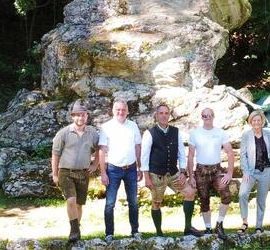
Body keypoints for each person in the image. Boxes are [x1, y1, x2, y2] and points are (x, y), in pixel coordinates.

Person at [140, 103, 203, 237]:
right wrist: (146, 177)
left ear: (169, 115)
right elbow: (144, 157)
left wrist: (182, 171)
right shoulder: (149, 133)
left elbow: (181, 152)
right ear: (156, 115)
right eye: (161, 113)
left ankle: (188, 228)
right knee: (157, 203)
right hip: (156, 174)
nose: (164, 115)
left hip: (174, 173)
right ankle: (159, 233)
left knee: (190, 192)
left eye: (166, 113)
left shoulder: (176, 131)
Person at [51, 100, 99, 243]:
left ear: (87, 117)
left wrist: (95, 164)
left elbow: (100, 148)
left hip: (83, 173)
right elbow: (55, 154)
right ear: (72, 116)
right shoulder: (64, 133)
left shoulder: (92, 132)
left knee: (79, 204)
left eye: (83, 115)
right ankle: (74, 230)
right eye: (77, 115)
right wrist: (54, 174)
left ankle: (76, 229)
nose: (80, 118)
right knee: (71, 200)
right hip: (66, 172)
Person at [99, 99, 143, 243]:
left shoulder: (133, 126)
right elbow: (101, 151)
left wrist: (139, 167)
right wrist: (103, 172)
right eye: (118, 109)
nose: (121, 112)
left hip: (130, 169)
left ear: (127, 111)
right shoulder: (106, 127)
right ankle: (109, 233)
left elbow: (137, 147)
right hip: (113, 169)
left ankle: (135, 231)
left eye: (123, 109)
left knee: (134, 202)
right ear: (113, 111)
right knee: (110, 203)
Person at [187, 107, 235, 240]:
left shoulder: (220, 133)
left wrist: (229, 173)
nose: (207, 118)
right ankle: (208, 228)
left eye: (210, 115)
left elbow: (230, 153)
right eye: (204, 116)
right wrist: (190, 176)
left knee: (226, 194)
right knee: (204, 199)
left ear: (213, 117)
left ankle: (219, 224)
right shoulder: (195, 133)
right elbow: (190, 156)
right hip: (201, 170)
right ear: (201, 117)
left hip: (216, 170)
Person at [238, 110, 270, 233]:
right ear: (250, 122)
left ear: (262, 122)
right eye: (254, 120)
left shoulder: (267, 134)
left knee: (261, 200)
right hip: (251, 171)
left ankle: (259, 226)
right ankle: (244, 222)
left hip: (266, 171)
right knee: (242, 194)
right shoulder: (246, 135)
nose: (256, 122)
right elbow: (243, 155)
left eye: (259, 120)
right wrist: (245, 172)